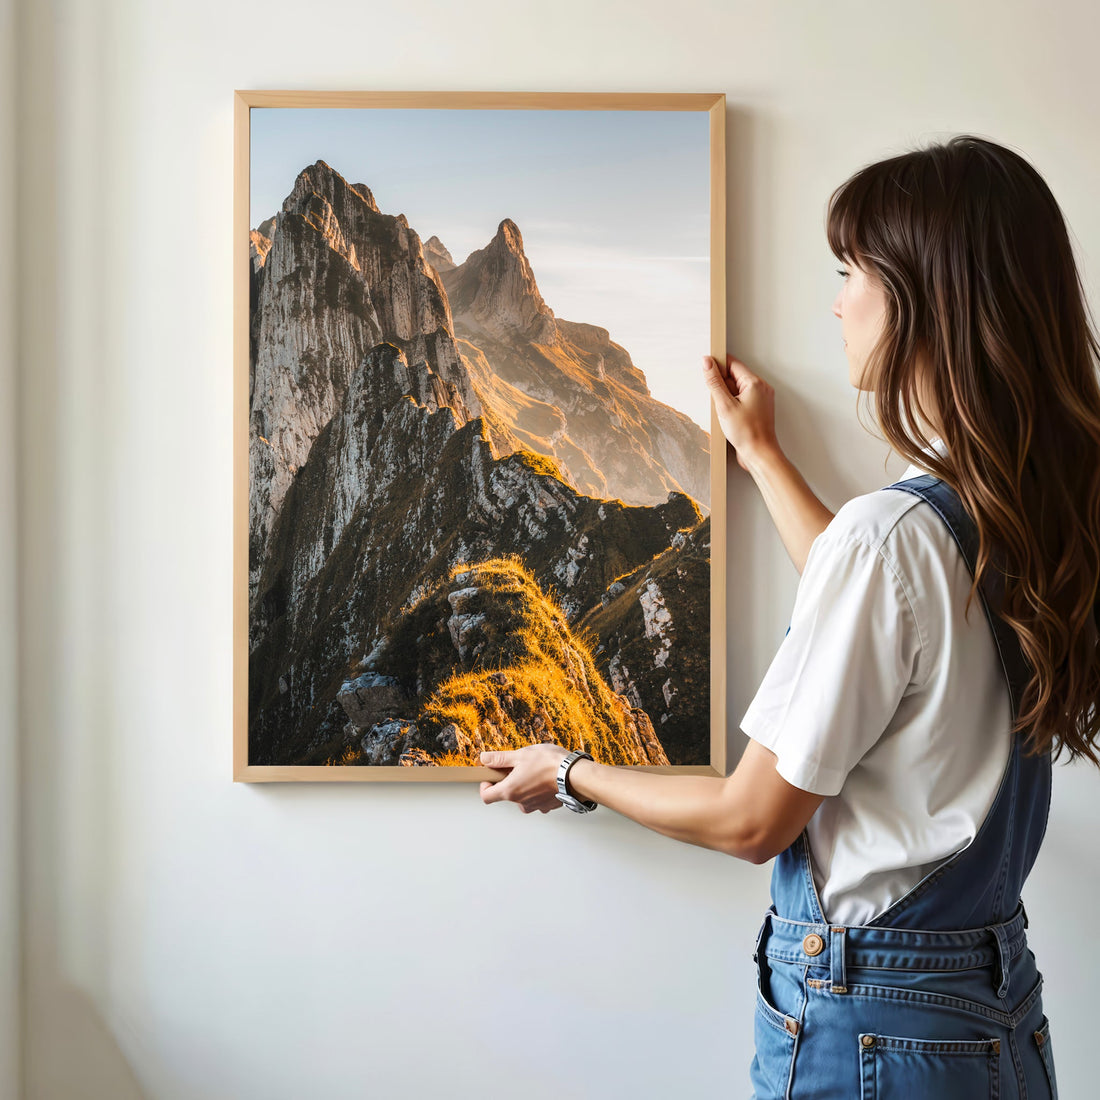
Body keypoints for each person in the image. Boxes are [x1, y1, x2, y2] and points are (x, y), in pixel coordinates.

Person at [477, 134, 1100, 1098]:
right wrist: (763, 457)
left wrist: (568, 771)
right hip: (988, 1014)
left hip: (873, 1029)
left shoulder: (894, 536)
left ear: (925, 300)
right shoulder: (1018, 509)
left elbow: (750, 819)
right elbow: (889, 623)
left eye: (852, 271)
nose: (838, 299)